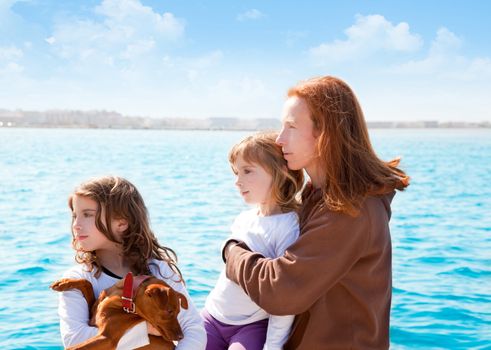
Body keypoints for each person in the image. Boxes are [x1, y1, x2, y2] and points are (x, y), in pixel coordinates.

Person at [222, 76, 410, 349]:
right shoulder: (318, 196)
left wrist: (232, 252)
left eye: (291, 127)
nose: (279, 138)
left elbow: (281, 290)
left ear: (325, 134)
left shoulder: (350, 210)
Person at [56, 176, 206, 349]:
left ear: (122, 223)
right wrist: (147, 329)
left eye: (87, 215)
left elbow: (193, 331)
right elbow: (75, 340)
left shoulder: (158, 271)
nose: (76, 225)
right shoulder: (79, 279)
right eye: (74, 216)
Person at [202, 132, 304, 350]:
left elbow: (284, 296)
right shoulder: (244, 219)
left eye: (247, 171)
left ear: (279, 173)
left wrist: (273, 346)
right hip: (212, 315)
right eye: (236, 172)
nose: (238, 181)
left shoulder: (288, 227)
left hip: (251, 326)